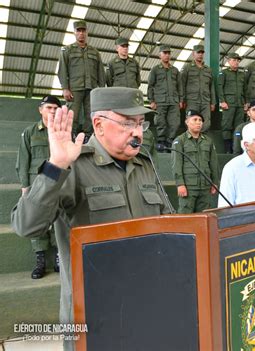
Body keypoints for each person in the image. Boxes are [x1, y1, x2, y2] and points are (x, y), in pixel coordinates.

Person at [11, 87, 173, 351]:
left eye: (141, 123)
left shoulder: (146, 165)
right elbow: (26, 225)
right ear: (99, 124)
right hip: (94, 314)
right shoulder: (72, 166)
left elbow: (170, 224)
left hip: (144, 305)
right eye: (127, 123)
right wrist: (56, 166)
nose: (138, 132)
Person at [15, 95, 61, 279]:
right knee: (36, 220)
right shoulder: (30, 132)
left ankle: (59, 257)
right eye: (48, 107)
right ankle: (40, 260)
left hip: (58, 183)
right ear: (40, 109)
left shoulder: (62, 131)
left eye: (56, 108)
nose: (52, 111)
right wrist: (25, 186)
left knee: (59, 219)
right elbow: (23, 160)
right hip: (36, 184)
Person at [58, 20, 105, 138]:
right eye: (78, 30)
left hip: (92, 88)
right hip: (75, 88)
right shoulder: (67, 50)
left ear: (87, 32)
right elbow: (62, 70)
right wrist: (65, 88)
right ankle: (71, 135)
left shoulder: (95, 52)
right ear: (74, 32)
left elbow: (100, 71)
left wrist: (101, 89)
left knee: (91, 114)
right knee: (72, 114)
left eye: (83, 31)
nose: (81, 33)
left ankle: (88, 136)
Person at [172, 110, 219, 213]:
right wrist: (180, 184)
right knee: (185, 217)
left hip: (205, 186)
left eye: (200, 120)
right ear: (187, 122)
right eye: (195, 119)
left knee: (203, 216)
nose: (198, 122)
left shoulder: (208, 141)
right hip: (189, 186)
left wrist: (214, 182)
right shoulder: (179, 141)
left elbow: (213, 163)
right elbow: (177, 164)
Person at [148, 44, 183, 149]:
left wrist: (181, 100)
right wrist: (152, 101)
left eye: (168, 53)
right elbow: (150, 86)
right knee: (160, 122)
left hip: (173, 101)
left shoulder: (175, 70)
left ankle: (170, 141)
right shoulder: (155, 70)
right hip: (160, 101)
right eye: (165, 53)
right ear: (160, 55)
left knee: (175, 123)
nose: (167, 55)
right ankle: (161, 141)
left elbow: (179, 86)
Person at [181, 45, 216, 132]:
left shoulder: (208, 70)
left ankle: (201, 140)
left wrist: (213, 102)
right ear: (193, 54)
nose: (200, 55)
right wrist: (182, 99)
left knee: (206, 122)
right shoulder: (187, 68)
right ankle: (192, 140)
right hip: (192, 100)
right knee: (191, 121)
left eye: (202, 53)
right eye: (198, 52)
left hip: (205, 101)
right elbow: (182, 84)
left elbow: (211, 87)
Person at [217, 52, 245, 154]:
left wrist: (245, 102)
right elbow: (219, 87)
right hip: (228, 104)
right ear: (228, 61)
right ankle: (227, 148)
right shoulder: (223, 73)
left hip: (240, 104)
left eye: (238, 60)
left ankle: (236, 147)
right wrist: (222, 101)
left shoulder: (242, 74)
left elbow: (245, 89)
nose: (236, 62)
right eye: (234, 60)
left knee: (238, 126)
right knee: (227, 125)